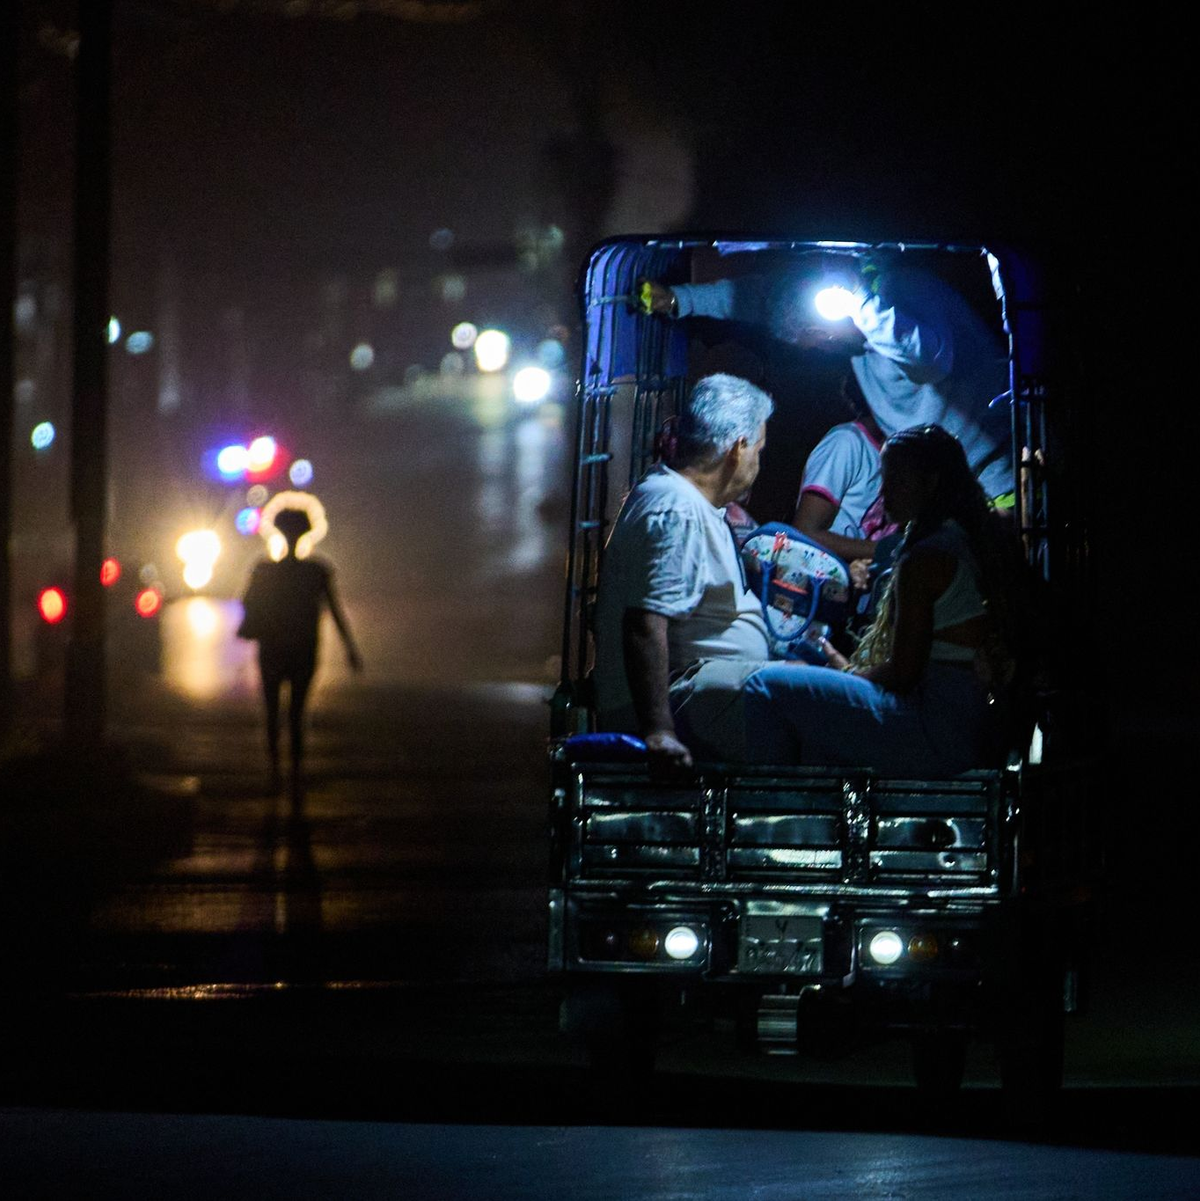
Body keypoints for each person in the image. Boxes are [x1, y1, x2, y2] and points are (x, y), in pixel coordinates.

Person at [742, 424, 1032, 776]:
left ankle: (767, 813)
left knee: (764, 685)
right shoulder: (974, 535)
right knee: (818, 721)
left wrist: (849, 672)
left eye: (895, 480)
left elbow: (903, 674)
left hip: (934, 729)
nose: (884, 492)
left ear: (931, 482)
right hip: (972, 724)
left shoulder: (927, 557)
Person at [642, 255, 1014, 515]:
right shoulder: (859, 350)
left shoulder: (899, 294)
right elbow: (756, 301)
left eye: (819, 336)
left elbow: (930, 361)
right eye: (814, 342)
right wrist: (679, 299)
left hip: (1000, 468)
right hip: (943, 487)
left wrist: (859, 303)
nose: (824, 345)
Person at [593, 373, 775, 772]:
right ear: (738, 449)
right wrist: (660, 731)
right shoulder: (677, 509)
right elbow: (645, 623)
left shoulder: (688, 501)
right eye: (759, 449)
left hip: (709, 693)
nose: (758, 463)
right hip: (688, 703)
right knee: (826, 703)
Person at [239, 507, 363, 793]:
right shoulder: (317, 572)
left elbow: (248, 603)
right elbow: (335, 611)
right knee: (297, 711)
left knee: (272, 710)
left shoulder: (264, 570)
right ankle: (294, 772)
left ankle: (274, 771)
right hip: (304, 647)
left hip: (272, 647)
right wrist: (350, 649)